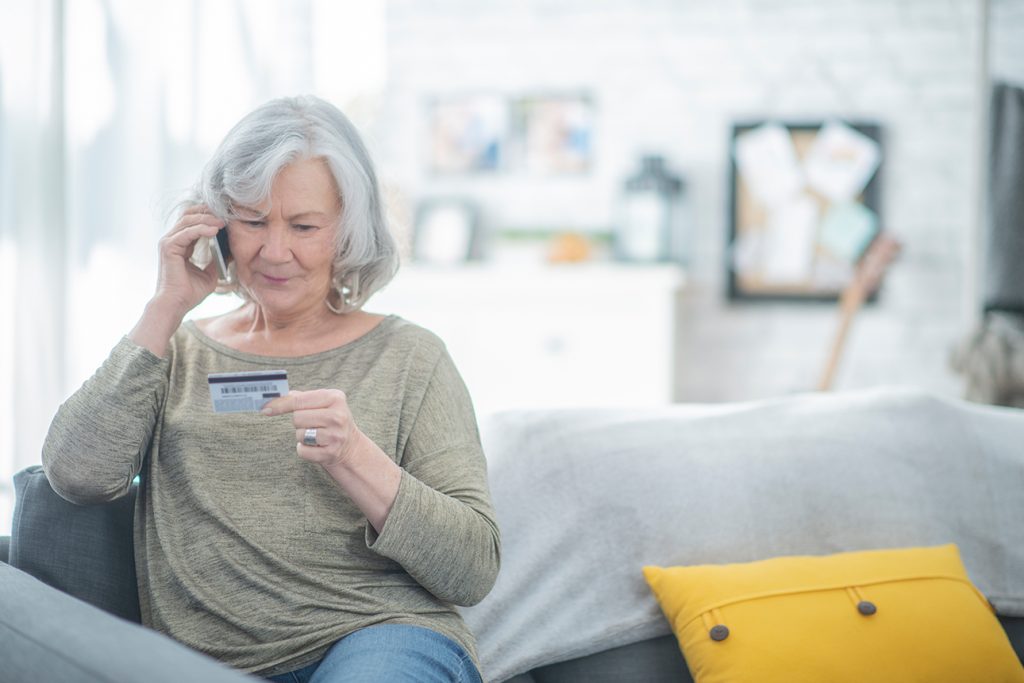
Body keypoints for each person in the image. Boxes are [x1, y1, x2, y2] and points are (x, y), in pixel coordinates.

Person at [41, 95, 500, 683]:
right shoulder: (173, 351)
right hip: (210, 662)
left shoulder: (411, 357)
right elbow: (75, 475)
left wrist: (354, 456)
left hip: (379, 637)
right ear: (218, 225)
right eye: (253, 222)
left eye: (305, 226)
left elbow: (473, 570)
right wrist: (166, 307)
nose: (274, 251)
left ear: (347, 232)